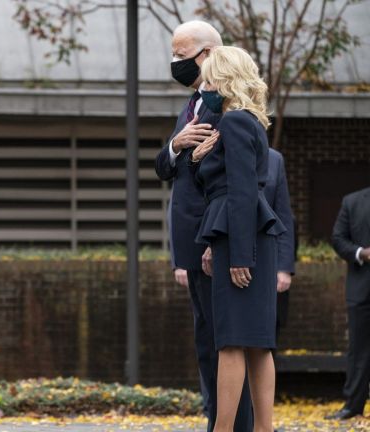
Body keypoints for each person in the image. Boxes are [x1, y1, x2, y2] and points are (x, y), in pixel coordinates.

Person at [154, 20, 252, 432]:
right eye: (173, 55)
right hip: (190, 242)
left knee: (225, 342)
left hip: (211, 238)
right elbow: (164, 169)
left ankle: (234, 425)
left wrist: (218, 239)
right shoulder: (193, 104)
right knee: (205, 341)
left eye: (182, 55)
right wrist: (175, 145)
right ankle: (216, 419)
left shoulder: (225, 106)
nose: (175, 62)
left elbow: (226, 184)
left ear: (208, 54)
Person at [189, 46, 286, 432]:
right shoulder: (244, 122)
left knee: (232, 342)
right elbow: (227, 188)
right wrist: (199, 159)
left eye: (211, 79)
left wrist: (239, 255)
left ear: (227, 80)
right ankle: (262, 428)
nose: (206, 87)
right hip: (242, 237)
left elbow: (243, 192)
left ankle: (224, 429)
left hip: (243, 241)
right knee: (256, 342)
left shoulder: (234, 122)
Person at [325, 186, 370, 420]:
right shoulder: (351, 201)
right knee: (359, 350)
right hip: (362, 288)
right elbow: (338, 238)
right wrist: (361, 253)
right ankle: (353, 405)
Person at [262, 149, 296, 343]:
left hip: (267, 261)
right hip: (228, 257)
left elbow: (283, 217)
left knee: (266, 338)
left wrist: (283, 268)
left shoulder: (274, 159)